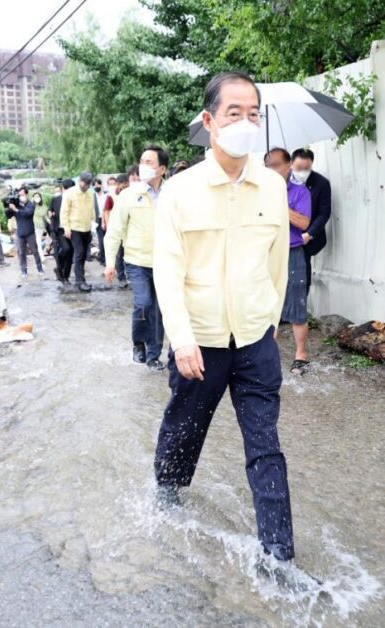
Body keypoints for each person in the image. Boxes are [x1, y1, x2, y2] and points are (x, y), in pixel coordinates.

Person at [153, 72, 295, 578]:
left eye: (253, 112)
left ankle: (279, 557)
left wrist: (271, 318)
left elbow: (277, 262)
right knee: (185, 428)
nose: (245, 121)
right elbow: (167, 273)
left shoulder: (273, 186)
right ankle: (166, 493)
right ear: (209, 121)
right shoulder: (180, 191)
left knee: (266, 445)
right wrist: (183, 340)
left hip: (256, 340)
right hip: (201, 344)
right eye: (234, 112)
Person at [105, 146, 168, 371]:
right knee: (144, 303)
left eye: (149, 162)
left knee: (160, 309)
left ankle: (153, 355)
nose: (143, 166)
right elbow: (114, 230)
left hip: (165, 262)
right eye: (142, 161)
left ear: (162, 168)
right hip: (136, 261)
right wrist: (110, 263)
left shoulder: (171, 194)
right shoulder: (129, 195)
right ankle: (138, 343)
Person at [265, 148, 312, 373]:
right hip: (266, 252)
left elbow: (303, 223)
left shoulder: (300, 192)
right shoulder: (259, 193)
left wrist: (282, 207)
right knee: (266, 302)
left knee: (297, 301)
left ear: (288, 166)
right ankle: (265, 353)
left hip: (292, 252)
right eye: (269, 165)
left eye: (277, 165)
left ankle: (301, 354)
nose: (273, 169)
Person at [290, 148, 331, 294]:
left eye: (307, 168)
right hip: (284, 238)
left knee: (302, 277)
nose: (303, 171)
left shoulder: (321, 183)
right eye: (299, 168)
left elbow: (324, 213)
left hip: (305, 239)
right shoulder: (281, 182)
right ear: (291, 165)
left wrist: (309, 234)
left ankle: (300, 312)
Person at [61, 172, 94, 292]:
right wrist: (66, 227)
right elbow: (64, 211)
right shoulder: (69, 193)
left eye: (88, 184)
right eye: (84, 183)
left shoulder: (90, 194)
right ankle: (80, 281)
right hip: (75, 228)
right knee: (79, 254)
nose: (85, 186)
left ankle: (80, 279)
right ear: (80, 181)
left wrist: (93, 224)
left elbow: (91, 210)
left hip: (87, 228)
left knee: (84, 254)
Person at [5, 187, 44, 278]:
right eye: (19, 195)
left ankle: (40, 268)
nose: (21, 196)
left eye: (22, 194)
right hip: (20, 233)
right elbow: (8, 216)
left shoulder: (30, 204)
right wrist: (8, 207)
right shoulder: (16, 205)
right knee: (22, 252)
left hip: (30, 232)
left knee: (35, 251)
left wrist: (15, 209)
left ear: (26, 194)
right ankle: (24, 270)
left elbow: (27, 213)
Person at [102, 173, 129, 289]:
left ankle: (128, 275)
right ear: (118, 185)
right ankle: (121, 277)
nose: (124, 188)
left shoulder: (131, 193)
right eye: (122, 186)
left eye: (126, 186)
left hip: (128, 229)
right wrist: (108, 225)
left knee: (126, 253)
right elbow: (106, 211)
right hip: (116, 228)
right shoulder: (111, 195)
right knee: (118, 254)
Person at [93, 178, 107, 266]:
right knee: (101, 240)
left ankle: (105, 257)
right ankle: (103, 258)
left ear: (101, 185)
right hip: (98, 220)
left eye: (97, 185)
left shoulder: (106, 195)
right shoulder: (93, 196)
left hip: (107, 219)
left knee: (107, 240)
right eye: (94, 185)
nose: (96, 187)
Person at [32, 191, 47, 261]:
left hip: (41, 227)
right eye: (35, 197)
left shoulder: (43, 207)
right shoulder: (31, 206)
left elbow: (45, 217)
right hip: (33, 227)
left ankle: (40, 254)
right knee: (38, 242)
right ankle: (41, 257)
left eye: (38, 196)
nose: (37, 198)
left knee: (43, 241)